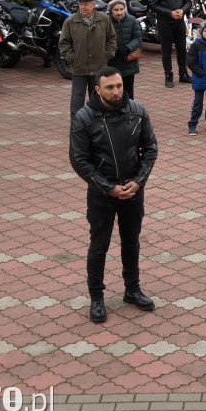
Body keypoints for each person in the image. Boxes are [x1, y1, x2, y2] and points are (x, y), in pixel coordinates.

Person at [69, 66, 158, 324]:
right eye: (110, 87)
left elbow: (150, 148)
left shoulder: (138, 111)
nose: (117, 91)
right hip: (101, 193)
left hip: (132, 191)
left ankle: (132, 289)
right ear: (97, 90)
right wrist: (108, 187)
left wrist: (138, 182)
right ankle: (96, 297)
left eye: (119, 85)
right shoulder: (84, 118)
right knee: (99, 246)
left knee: (132, 242)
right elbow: (79, 160)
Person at [59, 0, 117, 117]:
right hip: (79, 67)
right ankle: (77, 123)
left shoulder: (104, 20)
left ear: (93, 4)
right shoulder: (70, 21)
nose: (83, 7)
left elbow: (112, 39)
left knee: (97, 96)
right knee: (77, 99)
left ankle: (97, 120)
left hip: (99, 66)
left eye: (86, 4)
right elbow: (64, 44)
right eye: (80, 4)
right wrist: (73, 59)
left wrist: (106, 55)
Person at [149, 0, 192, 86]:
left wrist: (182, 11)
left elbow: (188, 1)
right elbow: (153, 4)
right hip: (164, 22)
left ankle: (183, 73)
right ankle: (168, 75)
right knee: (166, 49)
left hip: (179, 21)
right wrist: (170, 13)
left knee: (181, 49)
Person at [106, 0, 142, 99]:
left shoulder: (132, 20)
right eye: (116, 10)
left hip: (129, 61)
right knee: (113, 90)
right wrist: (116, 49)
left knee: (129, 90)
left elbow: (138, 38)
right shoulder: (105, 21)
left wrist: (128, 47)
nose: (119, 12)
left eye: (122, 9)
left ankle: (129, 110)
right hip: (112, 61)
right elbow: (102, 40)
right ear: (111, 11)